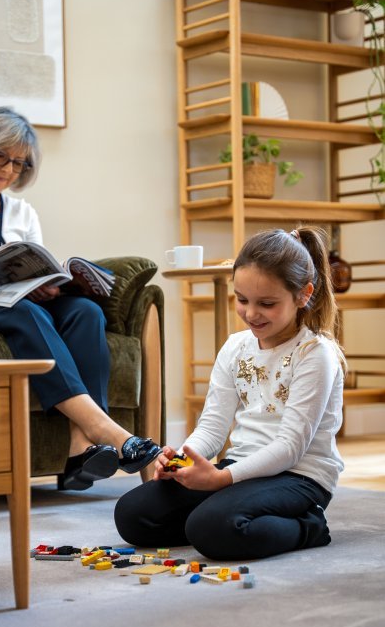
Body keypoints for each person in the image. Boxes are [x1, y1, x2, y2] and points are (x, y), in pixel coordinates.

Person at [0, 106, 160, 489]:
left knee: (85, 311)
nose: (7, 169)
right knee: (21, 312)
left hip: (9, 302)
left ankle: (79, 450)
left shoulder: (22, 211)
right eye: (0, 156)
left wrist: (47, 286)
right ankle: (104, 428)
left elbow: (34, 268)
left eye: (19, 163)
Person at [115, 226, 346, 560]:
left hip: (299, 476)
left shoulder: (314, 353)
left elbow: (291, 447)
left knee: (212, 529)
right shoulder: (236, 347)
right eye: (242, 300)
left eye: (266, 303)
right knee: (133, 515)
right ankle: (223, 517)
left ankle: (308, 526)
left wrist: (221, 480)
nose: (251, 314)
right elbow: (212, 425)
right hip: (242, 466)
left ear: (303, 294)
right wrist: (183, 458)